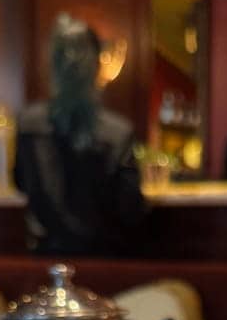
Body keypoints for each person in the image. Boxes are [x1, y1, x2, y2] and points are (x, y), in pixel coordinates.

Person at [14, 15, 145, 255]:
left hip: (46, 257)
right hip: (108, 261)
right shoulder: (118, 132)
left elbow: (21, 183)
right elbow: (130, 209)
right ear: (96, 64)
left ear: (52, 65)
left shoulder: (28, 123)